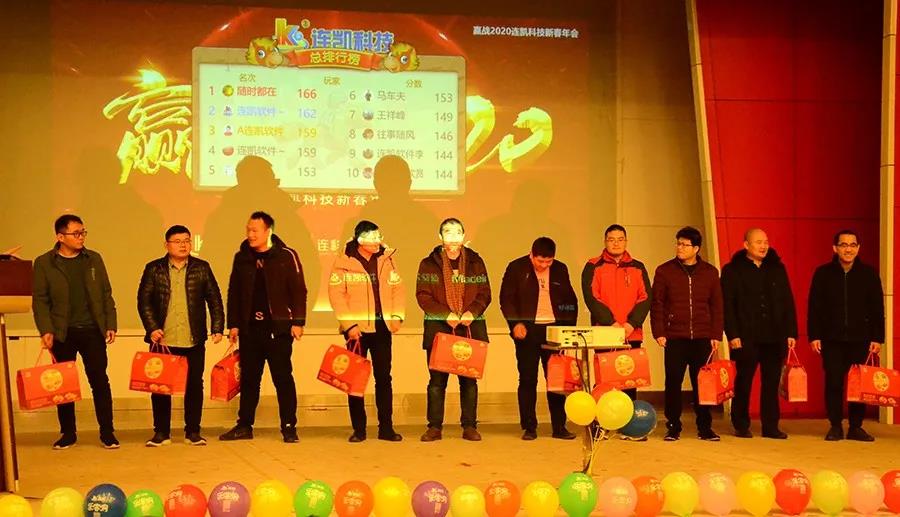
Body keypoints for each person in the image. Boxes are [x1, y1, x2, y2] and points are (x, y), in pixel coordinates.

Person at [32, 214, 119, 449]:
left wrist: (110, 323)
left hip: (92, 330)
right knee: (63, 385)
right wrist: (46, 330)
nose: (81, 237)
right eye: (76, 233)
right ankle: (68, 433)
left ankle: (107, 432)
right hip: (62, 332)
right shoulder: (44, 263)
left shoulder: (93, 259)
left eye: (83, 232)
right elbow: (40, 300)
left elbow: (106, 293)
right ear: (60, 237)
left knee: (99, 380)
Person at [219, 211, 307, 443]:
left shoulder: (286, 255)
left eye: (255, 230)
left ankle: (289, 426)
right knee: (249, 379)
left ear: (268, 231)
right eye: (248, 230)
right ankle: (244, 425)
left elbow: (299, 290)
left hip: (278, 329)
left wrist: (298, 322)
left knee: (282, 378)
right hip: (250, 329)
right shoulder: (242, 257)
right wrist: (234, 324)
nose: (250, 234)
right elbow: (234, 292)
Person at [137, 225, 225, 447]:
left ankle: (193, 431)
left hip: (193, 338)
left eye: (186, 240)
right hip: (162, 339)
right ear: (166, 245)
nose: (183, 245)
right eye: (177, 241)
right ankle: (161, 432)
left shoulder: (202, 268)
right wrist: (152, 327)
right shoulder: (154, 269)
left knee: (194, 385)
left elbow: (214, 299)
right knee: (160, 387)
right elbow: (144, 301)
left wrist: (217, 327)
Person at [328, 220, 405, 442]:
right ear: (359, 239)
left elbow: (398, 289)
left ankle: (386, 428)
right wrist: (349, 325)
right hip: (356, 330)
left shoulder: (387, 259)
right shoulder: (344, 261)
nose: (376, 241)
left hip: (382, 327)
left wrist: (397, 316)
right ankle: (359, 429)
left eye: (378, 236)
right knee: (354, 379)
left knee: (384, 378)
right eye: (372, 237)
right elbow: (336, 294)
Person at [416, 218, 491, 441]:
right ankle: (434, 427)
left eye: (458, 232)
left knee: (469, 382)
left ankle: (469, 426)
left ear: (464, 236)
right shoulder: (429, 264)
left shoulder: (475, 262)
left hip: (469, 328)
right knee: (437, 382)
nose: (453, 236)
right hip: (440, 329)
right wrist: (445, 314)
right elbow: (423, 295)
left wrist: (472, 313)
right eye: (448, 232)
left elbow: (485, 292)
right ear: (440, 237)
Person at [808, 229, 885, 442]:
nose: (848, 249)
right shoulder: (823, 273)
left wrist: (877, 338)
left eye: (852, 245)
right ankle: (835, 426)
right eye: (843, 245)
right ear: (835, 248)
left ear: (858, 248)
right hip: (831, 339)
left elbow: (877, 308)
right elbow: (814, 307)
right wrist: (814, 335)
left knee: (858, 386)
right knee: (833, 383)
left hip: (861, 339)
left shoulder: (869, 274)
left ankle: (856, 427)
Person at [499, 237, 578, 440]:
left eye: (548, 262)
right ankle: (529, 427)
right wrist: (515, 324)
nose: (544, 265)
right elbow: (506, 299)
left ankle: (559, 426)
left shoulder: (560, 269)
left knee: (557, 380)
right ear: (531, 255)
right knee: (527, 379)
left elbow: (570, 301)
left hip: (554, 331)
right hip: (527, 330)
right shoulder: (516, 268)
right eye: (540, 261)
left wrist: (567, 330)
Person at [721, 228, 797, 439]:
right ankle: (741, 423)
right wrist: (732, 334)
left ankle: (770, 426)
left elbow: (787, 301)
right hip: (746, 336)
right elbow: (727, 305)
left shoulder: (777, 268)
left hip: (775, 335)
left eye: (765, 242)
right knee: (744, 381)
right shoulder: (732, 270)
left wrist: (791, 332)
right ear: (746, 245)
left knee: (771, 383)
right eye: (758, 242)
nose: (763, 246)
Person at [650, 227, 723, 442]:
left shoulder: (710, 272)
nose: (680, 248)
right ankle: (673, 426)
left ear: (696, 248)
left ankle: (705, 427)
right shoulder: (665, 271)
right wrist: (659, 332)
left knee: (703, 383)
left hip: (702, 336)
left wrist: (716, 334)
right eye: (678, 243)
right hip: (674, 336)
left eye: (685, 245)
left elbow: (717, 305)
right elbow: (657, 304)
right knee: (673, 382)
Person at [581, 224, 651, 400]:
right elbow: (591, 297)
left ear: (626, 241)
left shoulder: (638, 267)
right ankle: (603, 416)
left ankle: (628, 416)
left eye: (620, 239)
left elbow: (645, 297)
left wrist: (631, 323)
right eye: (611, 240)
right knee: (605, 381)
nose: (616, 243)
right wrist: (611, 323)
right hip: (604, 332)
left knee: (629, 381)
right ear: (605, 242)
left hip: (631, 333)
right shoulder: (593, 266)